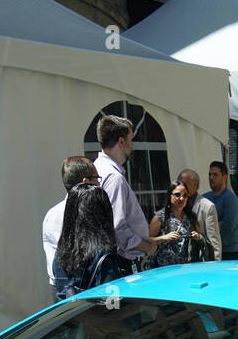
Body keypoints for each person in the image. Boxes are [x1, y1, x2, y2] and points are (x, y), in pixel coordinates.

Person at [94, 114, 162, 273]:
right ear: (121, 142)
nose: (132, 145)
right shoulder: (113, 177)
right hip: (119, 263)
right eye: (130, 140)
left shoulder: (99, 168)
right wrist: (145, 245)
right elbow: (117, 227)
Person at [53, 183, 123, 298]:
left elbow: (62, 294)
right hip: (99, 315)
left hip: (70, 314)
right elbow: (112, 304)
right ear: (103, 213)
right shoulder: (104, 254)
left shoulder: (61, 252)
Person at [43, 156, 98, 299]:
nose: (99, 183)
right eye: (97, 178)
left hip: (64, 290)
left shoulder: (52, 214)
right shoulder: (77, 214)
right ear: (86, 182)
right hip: (79, 291)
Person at [148, 180, 200, 268]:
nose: (181, 198)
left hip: (187, 268)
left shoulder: (191, 216)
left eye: (185, 195)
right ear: (169, 196)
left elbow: (201, 236)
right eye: (177, 195)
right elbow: (147, 241)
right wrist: (164, 237)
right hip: (164, 269)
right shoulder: (160, 217)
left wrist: (197, 237)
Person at [178, 168, 222, 261]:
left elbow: (214, 240)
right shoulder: (176, 204)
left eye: (184, 184)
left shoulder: (207, 207)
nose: (180, 187)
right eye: (179, 184)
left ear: (195, 185)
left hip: (197, 262)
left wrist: (216, 266)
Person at [204, 161, 238, 257]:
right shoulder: (204, 198)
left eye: (215, 175)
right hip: (208, 249)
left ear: (224, 177)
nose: (211, 178)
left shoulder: (231, 198)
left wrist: (206, 226)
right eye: (209, 174)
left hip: (228, 251)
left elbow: (228, 225)